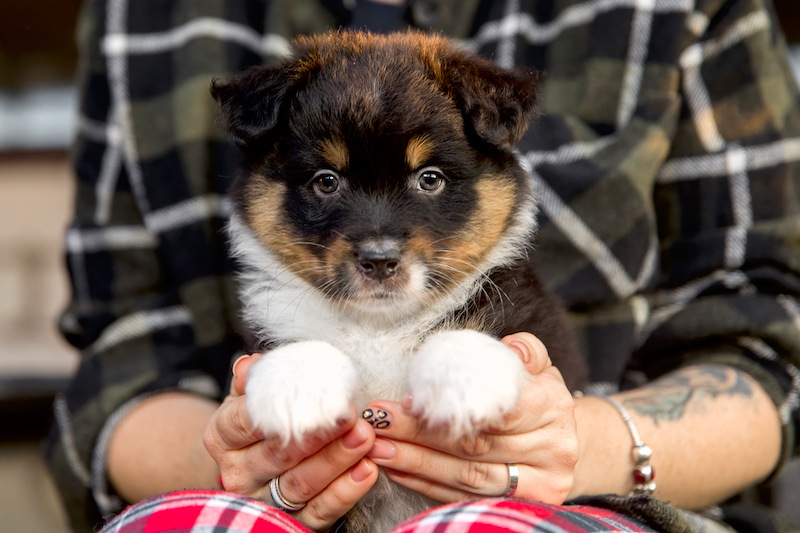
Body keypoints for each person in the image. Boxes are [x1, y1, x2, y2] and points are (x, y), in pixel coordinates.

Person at [48, 0, 800, 532]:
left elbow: (766, 332)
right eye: (326, 182)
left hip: (589, 509)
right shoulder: (143, 17)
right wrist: (245, 452)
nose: (379, 242)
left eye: (429, 181)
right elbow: (117, 359)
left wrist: (582, 445)